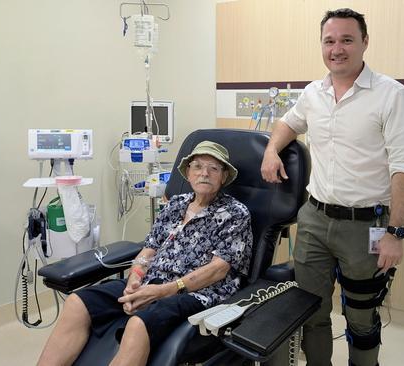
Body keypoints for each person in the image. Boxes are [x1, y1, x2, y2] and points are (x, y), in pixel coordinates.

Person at [260, 8, 404, 366]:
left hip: (367, 226)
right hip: (315, 220)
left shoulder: (392, 96)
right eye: (329, 41)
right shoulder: (313, 93)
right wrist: (271, 150)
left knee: (362, 316)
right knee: (311, 310)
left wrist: (395, 233)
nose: (337, 48)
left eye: (347, 39)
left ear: (365, 42)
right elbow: (289, 123)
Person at [38, 141, 253, 366]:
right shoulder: (175, 205)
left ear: (223, 176)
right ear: (188, 174)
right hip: (151, 282)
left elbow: (218, 269)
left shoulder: (234, 213)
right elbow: (149, 249)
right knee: (76, 303)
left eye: (213, 168)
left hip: (196, 293)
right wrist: (135, 280)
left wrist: (163, 291)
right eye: (197, 166)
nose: (204, 173)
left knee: (138, 324)